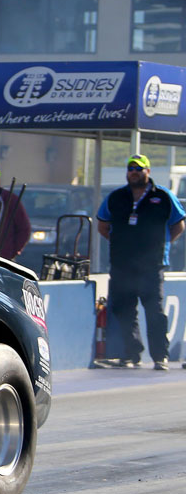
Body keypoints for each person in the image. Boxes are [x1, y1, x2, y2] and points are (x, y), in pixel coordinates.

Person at [98, 154, 185, 371]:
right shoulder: (116, 197)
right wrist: (122, 244)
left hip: (152, 265)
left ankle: (160, 356)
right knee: (123, 309)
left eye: (139, 169)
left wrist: (161, 244)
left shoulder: (163, 196)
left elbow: (179, 225)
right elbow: (103, 226)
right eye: (131, 169)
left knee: (154, 311)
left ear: (148, 171)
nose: (134, 172)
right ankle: (132, 355)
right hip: (122, 265)